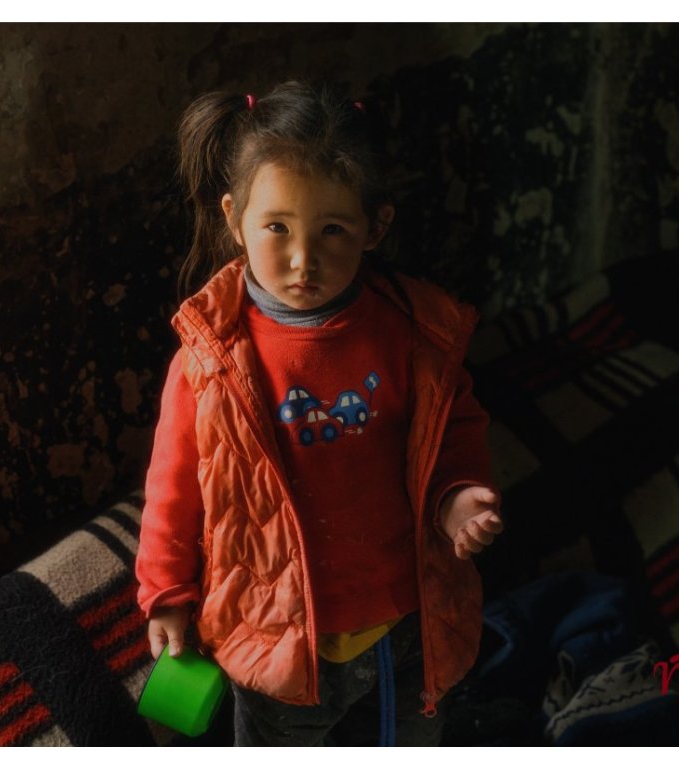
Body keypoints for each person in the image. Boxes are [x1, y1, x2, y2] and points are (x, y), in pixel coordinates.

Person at [135, 81, 503, 746]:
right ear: (233, 218)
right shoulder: (211, 360)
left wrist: (458, 497)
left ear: (375, 227)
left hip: (404, 626)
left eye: (333, 230)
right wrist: (166, 592)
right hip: (276, 640)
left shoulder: (410, 335)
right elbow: (173, 490)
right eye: (277, 227)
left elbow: (451, 432)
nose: (303, 259)